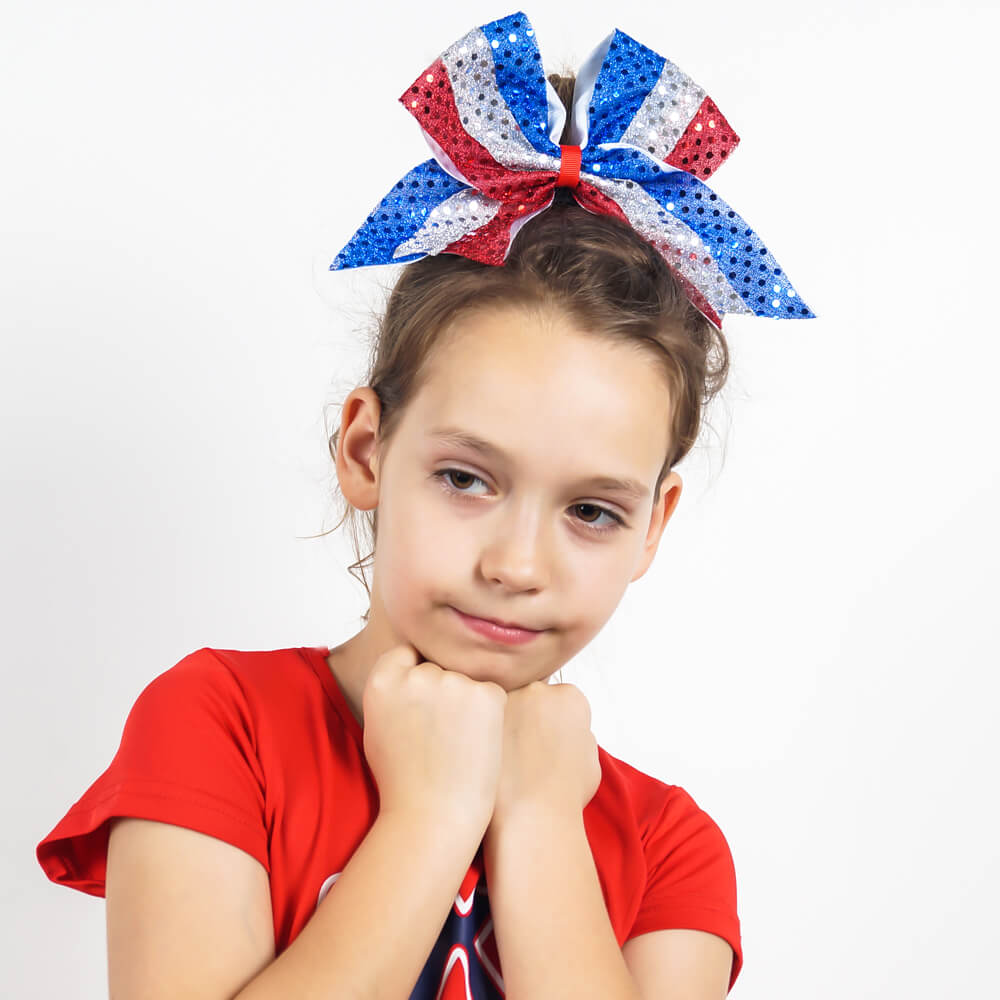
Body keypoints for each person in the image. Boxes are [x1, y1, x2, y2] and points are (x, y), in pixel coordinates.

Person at [36, 11, 813, 999]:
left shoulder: (667, 845)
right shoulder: (219, 723)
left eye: (591, 511)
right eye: (466, 478)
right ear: (367, 449)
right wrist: (431, 815)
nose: (516, 563)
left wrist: (536, 819)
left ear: (652, 526)